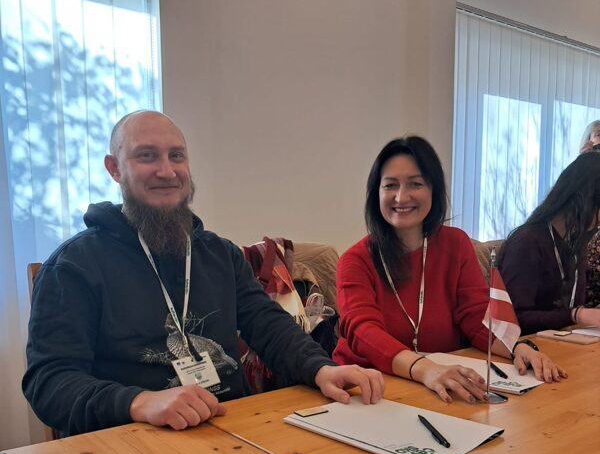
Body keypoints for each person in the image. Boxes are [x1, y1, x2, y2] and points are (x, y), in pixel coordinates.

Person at [23, 110, 383, 436]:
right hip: (131, 444)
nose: (167, 171)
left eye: (176, 156)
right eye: (147, 155)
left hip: (231, 430)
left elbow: (269, 325)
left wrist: (321, 368)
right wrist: (140, 402)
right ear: (114, 168)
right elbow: (49, 383)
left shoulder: (219, 254)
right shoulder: (72, 267)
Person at [334, 136, 565, 405]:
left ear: (433, 189)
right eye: (390, 185)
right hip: (366, 390)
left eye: (415, 184)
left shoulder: (456, 244)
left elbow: (476, 315)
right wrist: (425, 369)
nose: (401, 196)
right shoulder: (355, 260)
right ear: (376, 193)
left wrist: (518, 347)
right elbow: (363, 333)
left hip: (438, 385)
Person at [498, 151, 600, 333]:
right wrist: (576, 315)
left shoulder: (575, 243)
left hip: (565, 342)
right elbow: (512, 319)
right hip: (529, 345)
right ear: (583, 200)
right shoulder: (527, 242)